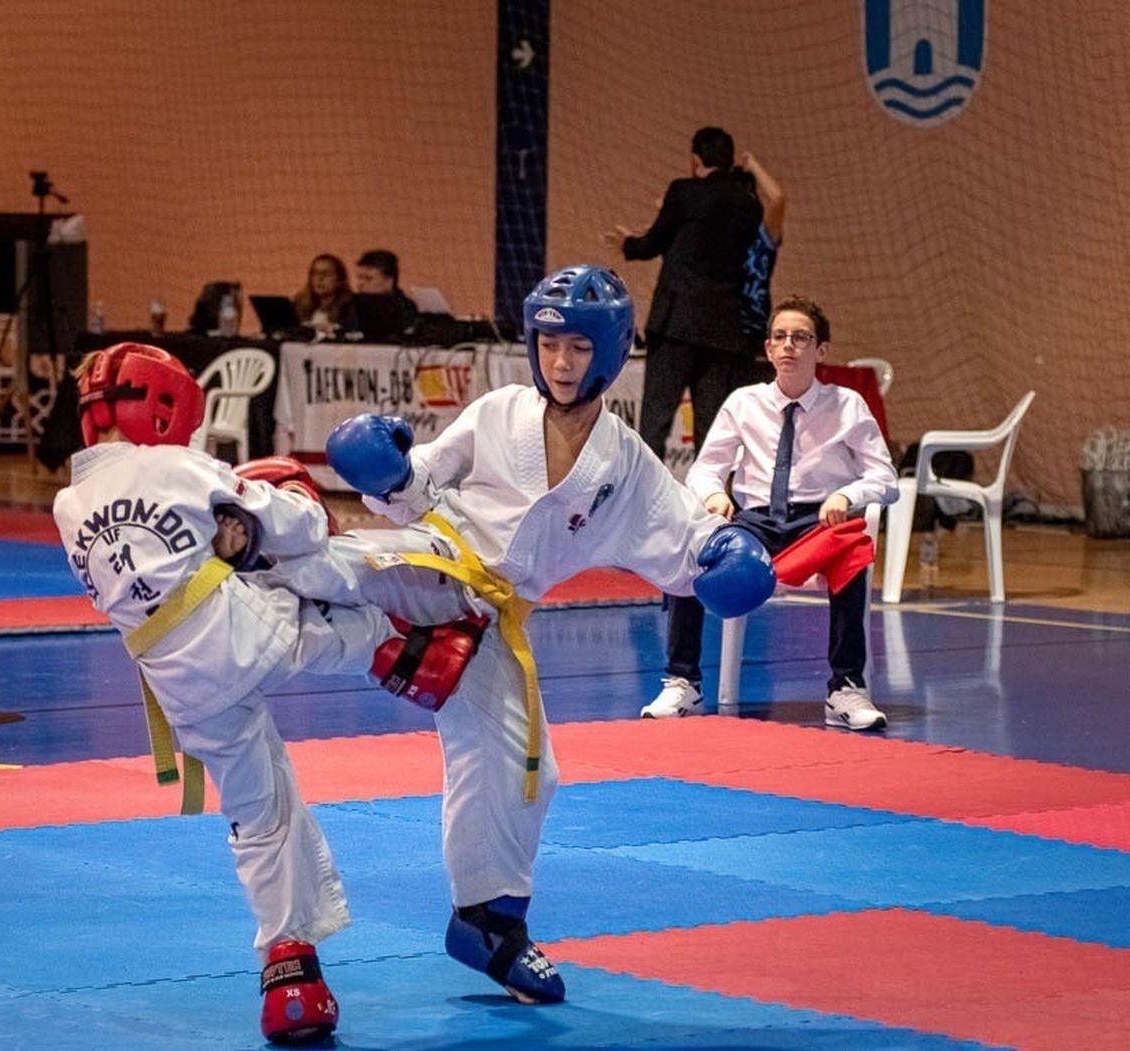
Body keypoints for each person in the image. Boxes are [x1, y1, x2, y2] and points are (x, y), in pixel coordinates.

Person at [320, 265, 777, 1004]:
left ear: (608, 352)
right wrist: (389, 470)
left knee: (526, 766)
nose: (560, 363)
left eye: (576, 349)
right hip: (437, 561)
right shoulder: (498, 412)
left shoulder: (625, 464)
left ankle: (487, 923)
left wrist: (726, 555)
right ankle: (235, 563)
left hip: (494, 622)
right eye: (549, 345)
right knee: (336, 571)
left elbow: (682, 542)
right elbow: (420, 486)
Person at [52, 343, 481, 1044]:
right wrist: (270, 515)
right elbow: (298, 526)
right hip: (239, 632)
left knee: (261, 814)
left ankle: (290, 973)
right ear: (162, 409)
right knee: (311, 553)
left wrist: (233, 540)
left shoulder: (68, 503)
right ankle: (421, 632)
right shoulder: (172, 463)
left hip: (175, 683)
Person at [640, 296, 898, 729]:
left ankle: (846, 689)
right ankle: (683, 681)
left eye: (800, 337)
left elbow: (886, 478)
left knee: (853, 550)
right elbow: (705, 468)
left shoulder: (847, 404)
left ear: (821, 350)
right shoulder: (743, 402)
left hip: (818, 521)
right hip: (754, 523)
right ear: (767, 347)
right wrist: (712, 497)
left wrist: (848, 496)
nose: (788, 346)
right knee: (690, 548)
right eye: (780, 337)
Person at [604, 126, 763, 461]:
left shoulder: (683, 191)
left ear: (695, 159)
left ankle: (643, 500)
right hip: (723, 328)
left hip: (676, 323)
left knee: (656, 419)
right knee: (711, 425)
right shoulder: (749, 205)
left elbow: (653, 243)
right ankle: (709, 503)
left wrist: (629, 244)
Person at [736, 150, 787, 384]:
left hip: (755, 334)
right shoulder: (716, 237)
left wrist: (752, 164)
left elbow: (778, 198)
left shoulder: (763, 236)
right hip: (722, 335)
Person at [340, 248, 417, 336]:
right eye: (359, 277)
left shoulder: (406, 308)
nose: (361, 283)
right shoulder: (349, 305)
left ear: (388, 282)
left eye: (368, 278)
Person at [290, 252, 351, 335]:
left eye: (326, 274)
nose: (319, 278)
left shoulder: (350, 309)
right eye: (314, 274)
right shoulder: (299, 306)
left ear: (339, 280)